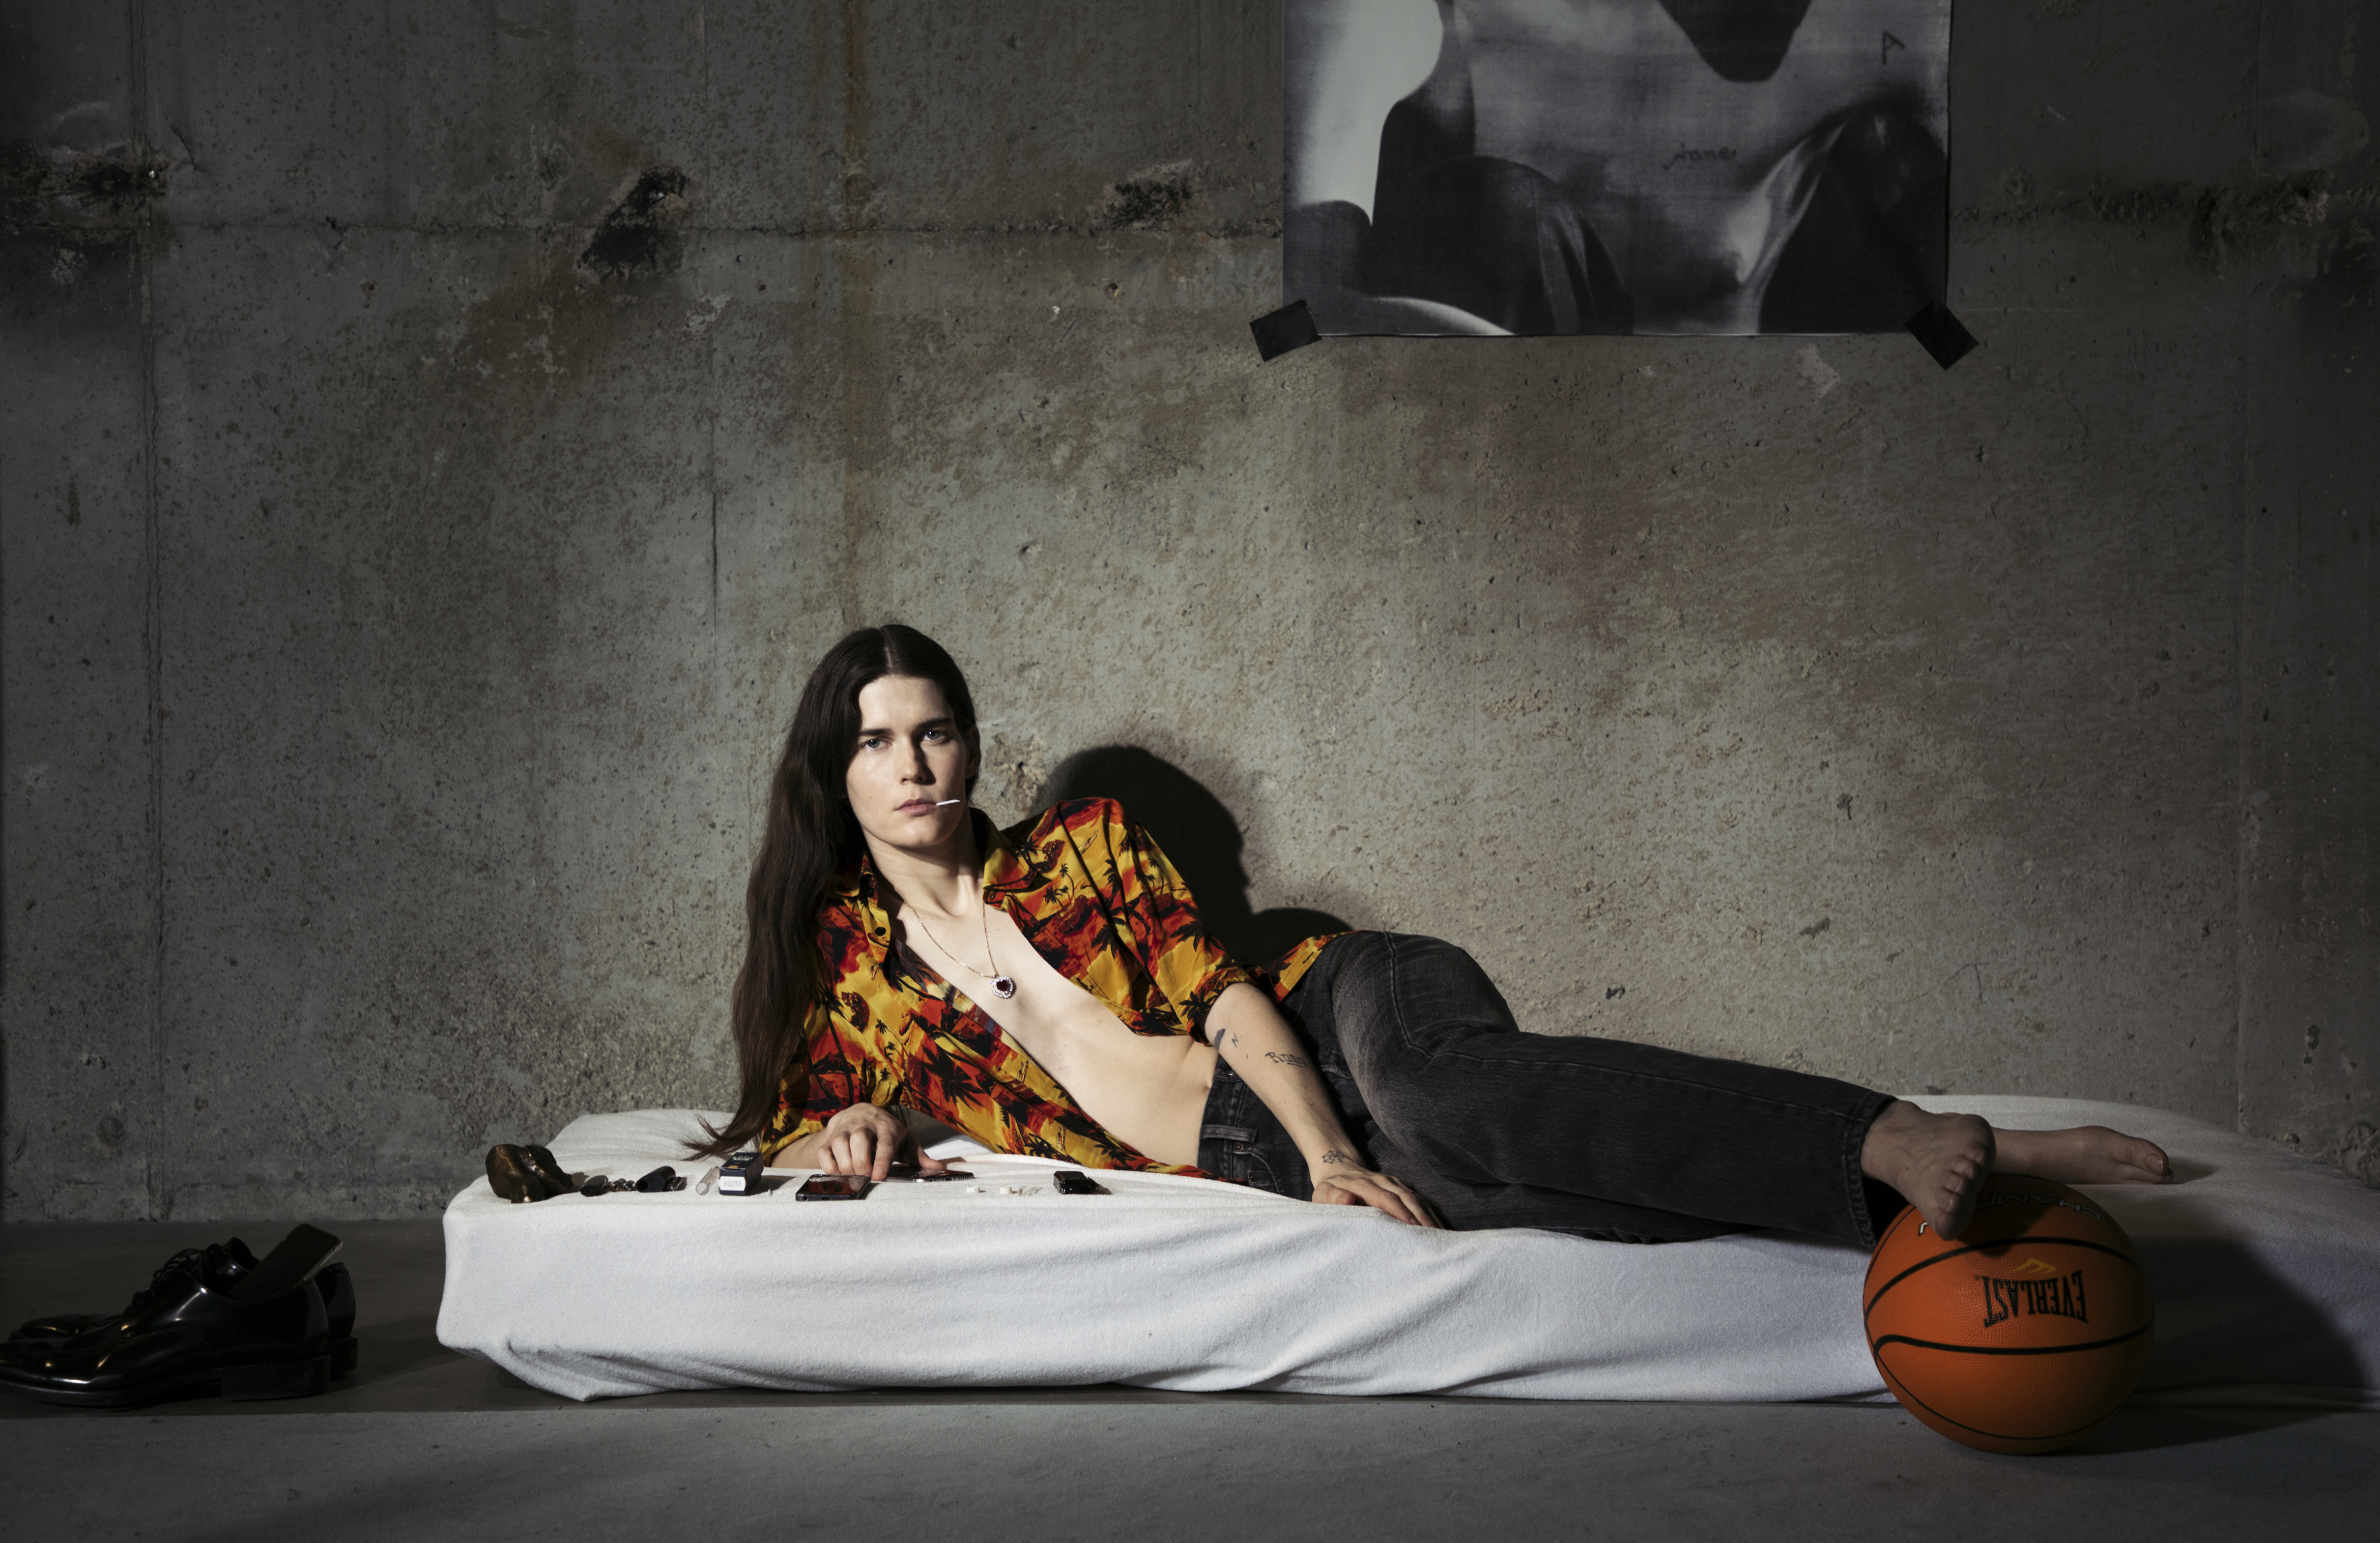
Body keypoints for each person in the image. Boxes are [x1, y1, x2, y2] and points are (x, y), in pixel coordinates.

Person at [696, 624, 2171, 1244]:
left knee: (1434, 1101)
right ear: (835, 769)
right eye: (878, 740)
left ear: (971, 743)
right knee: (1499, 1186)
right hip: (1235, 1149)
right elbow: (795, 1116)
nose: (913, 764)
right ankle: (1950, 1176)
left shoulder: (1083, 846)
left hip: (1338, 1009)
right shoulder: (850, 959)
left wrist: (1333, 1147)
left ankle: (1894, 1130)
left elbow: (1221, 1001)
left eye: (936, 728)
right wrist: (867, 1117)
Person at [1286, 0, 1950, 335]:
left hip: (1727, 473)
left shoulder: (1887, 28)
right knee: (1500, 212)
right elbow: (1282, 328)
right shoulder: (1415, 15)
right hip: (1491, 469)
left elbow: (2013, 322)